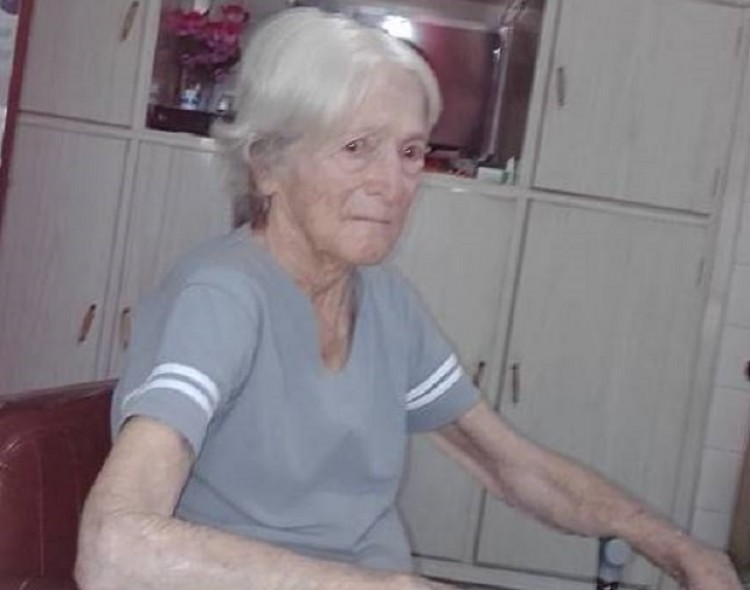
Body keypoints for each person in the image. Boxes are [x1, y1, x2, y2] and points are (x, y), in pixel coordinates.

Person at [75, 8, 740, 590]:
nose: (392, 185)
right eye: (357, 148)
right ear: (268, 165)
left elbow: (510, 466)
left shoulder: (386, 304)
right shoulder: (222, 298)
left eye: (411, 152)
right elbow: (113, 549)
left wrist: (676, 547)